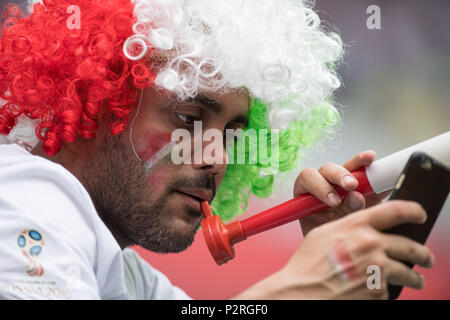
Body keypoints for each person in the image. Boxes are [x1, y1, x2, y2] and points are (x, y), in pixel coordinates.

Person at [0, 0, 434, 299]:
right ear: (94, 100)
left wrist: (344, 283)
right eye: (188, 119)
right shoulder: (26, 198)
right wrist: (300, 287)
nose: (218, 157)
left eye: (233, 133)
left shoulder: (129, 276)